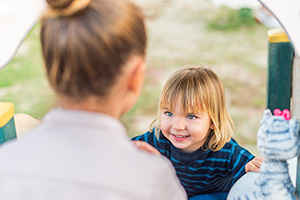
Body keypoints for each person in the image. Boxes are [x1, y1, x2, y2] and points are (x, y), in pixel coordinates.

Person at [0, 0, 187, 199]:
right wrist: (151, 169)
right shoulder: (153, 180)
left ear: (49, 70)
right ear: (136, 76)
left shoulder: (7, 164)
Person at [132, 66, 263, 200]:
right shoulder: (157, 139)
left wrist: (251, 167)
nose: (177, 126)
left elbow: (253, 175)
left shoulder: (227, 151)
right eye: (169, 113)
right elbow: (121, 148)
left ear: (213, 120)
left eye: (191, 116)